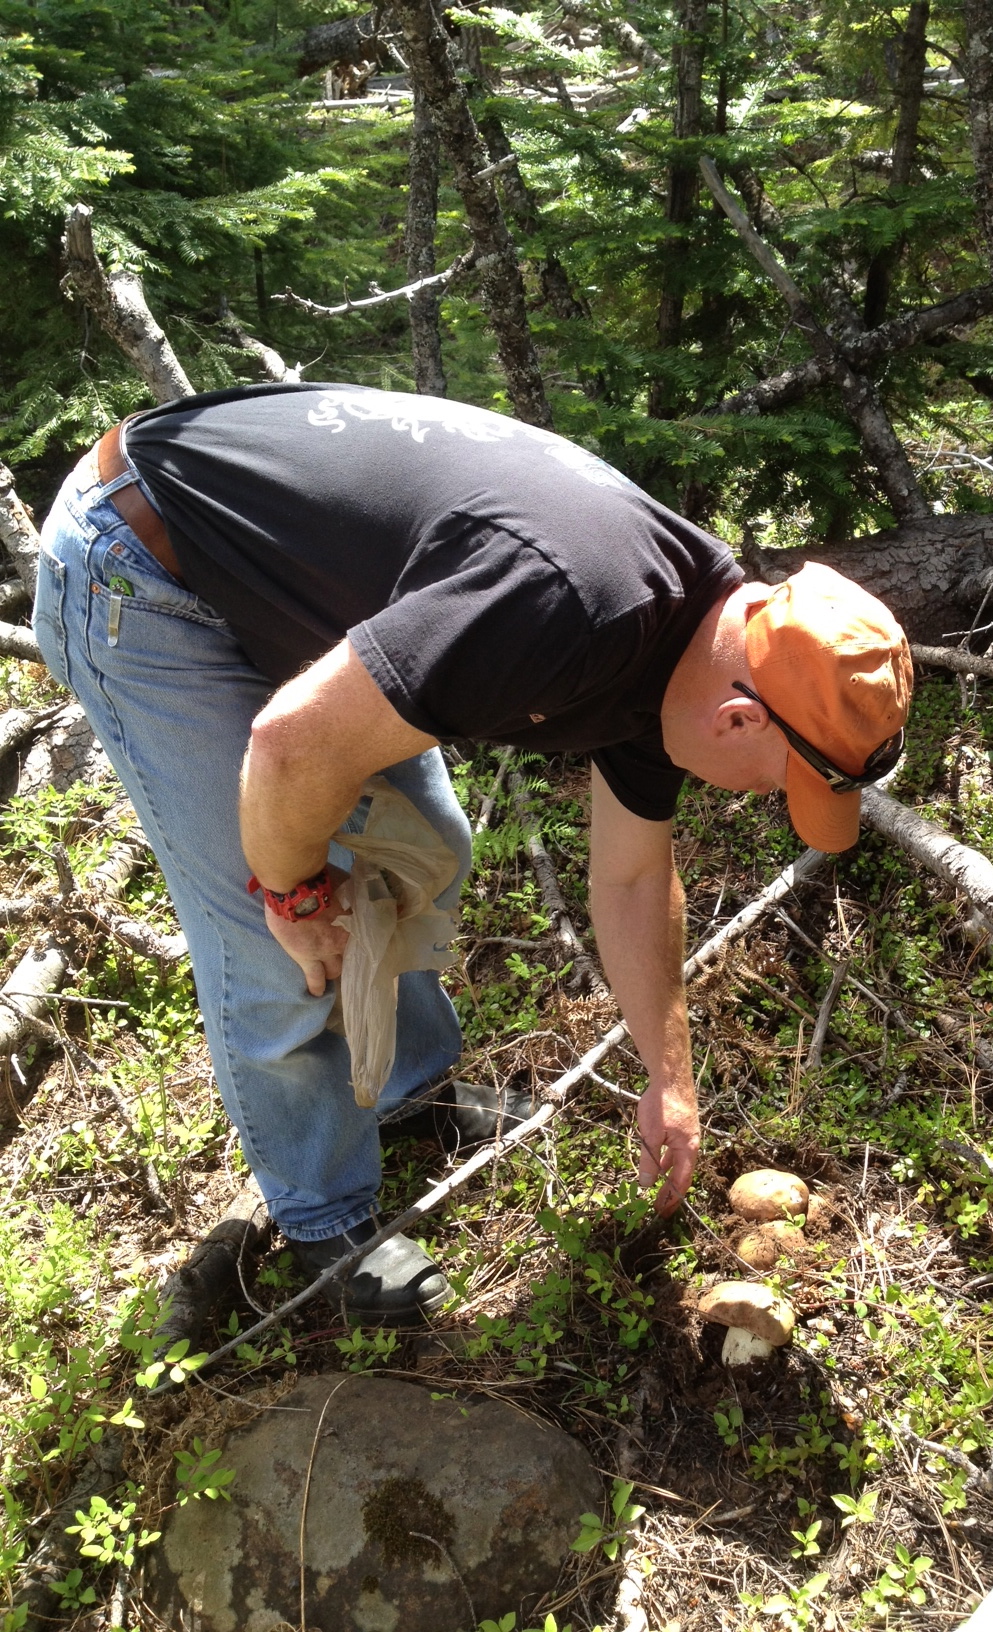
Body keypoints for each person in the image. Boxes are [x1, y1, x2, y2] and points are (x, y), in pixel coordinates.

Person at [34, 383, 911, 1323]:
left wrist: (669, 1073)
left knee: (426, 847)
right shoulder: (567, 611)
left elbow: (633, 874)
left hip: (279, 577)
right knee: (270, 949)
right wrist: (292, 897)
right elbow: (291, 745)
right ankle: (323, 1222)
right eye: (781, 783)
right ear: (740, 717)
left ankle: (407, 1092)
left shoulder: (691, 643)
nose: (765, 802)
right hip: (143, 562)